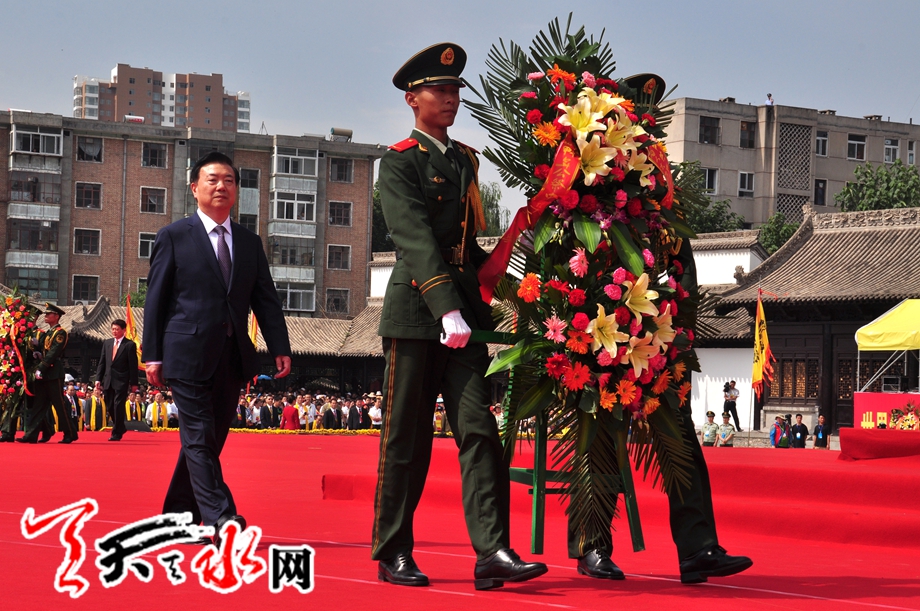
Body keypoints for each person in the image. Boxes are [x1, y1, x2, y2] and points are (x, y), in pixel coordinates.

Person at [373, 43, 546, 591]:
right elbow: (415, 239)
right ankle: (393, 550)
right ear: (412, 99)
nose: (450, 99)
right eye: (439, 90)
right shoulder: (399, 161)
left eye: (454, 91)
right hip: (417, 313)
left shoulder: (465, 160)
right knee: (406, 439)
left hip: (462, 317)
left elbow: (466, 247)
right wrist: (445, 306)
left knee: (480, 430)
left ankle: (492, 551)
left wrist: (512, 276)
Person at [570, 239, 751, 585]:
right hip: (596, 331)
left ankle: (697, 549)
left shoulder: (662, 209)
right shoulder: (585, 206)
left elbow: (684, 273)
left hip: (654, 337)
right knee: (600, 438)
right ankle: (591, 546)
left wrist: (675, 328)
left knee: (680, 439)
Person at [142, 151, 292, 538]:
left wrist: (280, 346)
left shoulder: (249, 242)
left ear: (237, 190)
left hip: (233, 355)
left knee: (209, 439)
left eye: (229, 180)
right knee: (197, 435)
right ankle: (221, 517)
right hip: (186, 354)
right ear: (194, 188)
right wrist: (151, 355)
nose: (221, 186)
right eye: (212, 179)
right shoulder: (174, 236)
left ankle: (177, 517)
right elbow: (156, 299)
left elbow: (266, 299)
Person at [18, 304, 78, 444]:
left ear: (56, 316)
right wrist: (37, 348)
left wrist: (41, 367)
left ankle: (70, 433)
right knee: (38, 405)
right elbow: (45, 350)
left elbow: (53, 353)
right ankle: (31, 435)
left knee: (59, 405)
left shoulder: (60, 333)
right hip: (44, 373)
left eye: (48, 314)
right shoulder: (48, 333)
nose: (45, 316)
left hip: (53, 373)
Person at [95, 319, 139, 441]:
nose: (114, 331)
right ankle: (120, 426)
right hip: (108, 379)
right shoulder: (107, 343)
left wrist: (134, 383)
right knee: (109, 405)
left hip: (122, 380)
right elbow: (102, 362)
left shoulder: (129, 345)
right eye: (113, 329)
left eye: (117, 329)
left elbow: (133, 365)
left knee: (118, 405)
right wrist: (98, 379)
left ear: (124, 330)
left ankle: (116, 433)